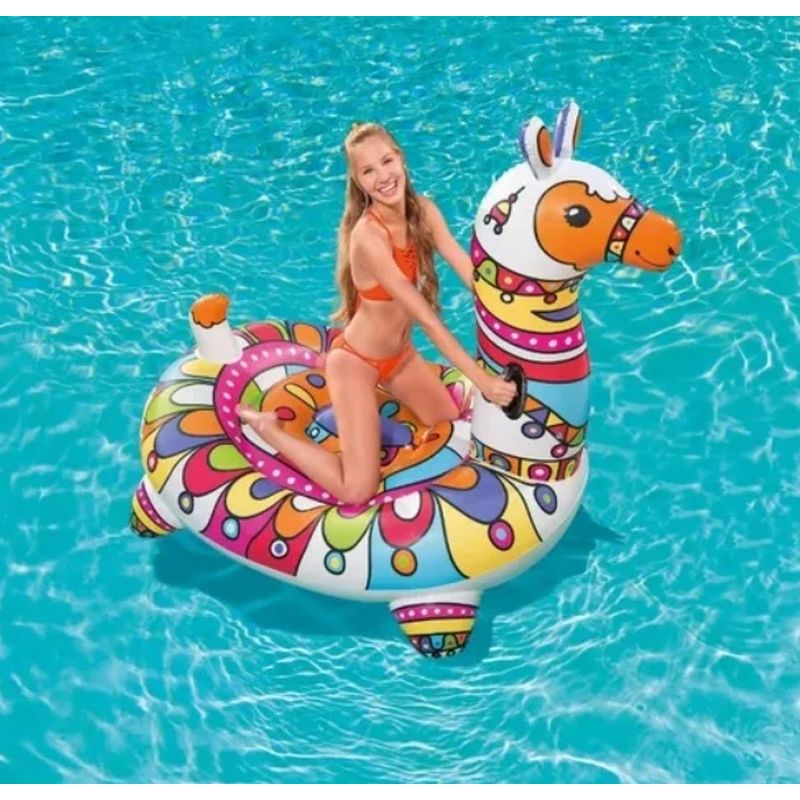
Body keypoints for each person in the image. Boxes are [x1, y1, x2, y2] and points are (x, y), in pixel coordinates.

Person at [236, 122, 516, 505]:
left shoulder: (424, 211)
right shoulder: (368, 237)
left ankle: (362, 425)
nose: (383, 176)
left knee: (450, 428)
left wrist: (509, 307)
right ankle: (269, 429)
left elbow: (467, 270)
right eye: (368, 170)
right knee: (357, 490)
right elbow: (427, 319)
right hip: (355, 363)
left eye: (386, 161)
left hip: (400, 358)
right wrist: (481, 380)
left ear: (401, 158)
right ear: (358, 181)